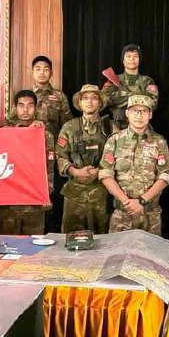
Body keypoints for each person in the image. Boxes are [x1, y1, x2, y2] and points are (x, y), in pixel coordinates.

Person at [99, 94, 169, 235]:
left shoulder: (159, 142)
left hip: (151, 215)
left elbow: (165, 176)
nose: (139, 115)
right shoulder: (115, 140)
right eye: (134, 111)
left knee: (150, 255)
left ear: (150, 114)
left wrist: (142, 201)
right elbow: (105, 175)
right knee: (119, 256)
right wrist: (127, 202)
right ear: (127, 113)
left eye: (143, 111)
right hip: (122, 214)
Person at [55, 84, 113, 234]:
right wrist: (75, 171)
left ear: (100, 103)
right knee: (72, 239)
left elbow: (118, 156)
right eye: (85, 98)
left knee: (103, 240)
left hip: (102, 192)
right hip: (75, 194)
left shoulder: (111, 127)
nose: (90, 101)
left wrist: (100, 171)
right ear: (79, 103)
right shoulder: (69, 127)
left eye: (94, 98)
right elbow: (60, 155)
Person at [0, 90, 55, 234]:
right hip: (8, 200)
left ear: (36, 108)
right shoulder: (4, 133)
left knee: (33, 247)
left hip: (33, 200)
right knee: (7, 245)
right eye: (21, 105)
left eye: (30, 105)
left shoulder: (45, 134)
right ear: (15, 108)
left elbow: (48, 168)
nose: (25, 110)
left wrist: (46, 193)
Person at [7, 56, 72, 139]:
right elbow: (10, 122)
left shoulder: (59, 96)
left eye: (46, 69)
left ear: (51, 73)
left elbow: (67, 124)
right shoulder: (24, 96)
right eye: (38, 69)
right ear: (32, 72)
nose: (42, 72)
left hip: (52, 145)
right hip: (26, 141)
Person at [102, 44, 159, 130]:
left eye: (135, 56)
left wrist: (121, 98)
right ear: (123, 61)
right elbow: (104, 99)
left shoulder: (147, 81)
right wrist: (135, 95)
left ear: (139, 60)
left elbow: (153, 102)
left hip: (141, 126)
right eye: (128, 56)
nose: (132, 59)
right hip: (117, 127)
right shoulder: (113, 80)